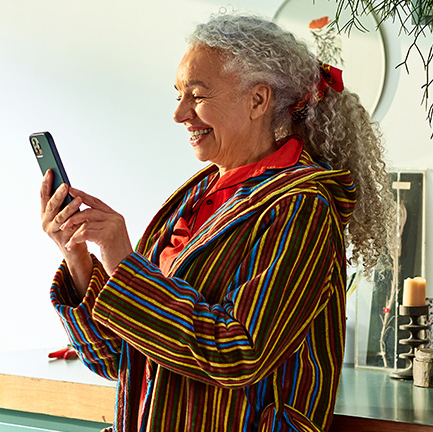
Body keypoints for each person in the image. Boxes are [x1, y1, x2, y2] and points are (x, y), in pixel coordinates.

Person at [40, 13, 392, 432]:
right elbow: (120, 358)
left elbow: (237, 352)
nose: (179, 114)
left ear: (257, 101)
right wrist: (80, 257)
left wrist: (121, 259)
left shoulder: (301, 207)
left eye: (197, 95)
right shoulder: (195, 197)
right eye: (178, 95)